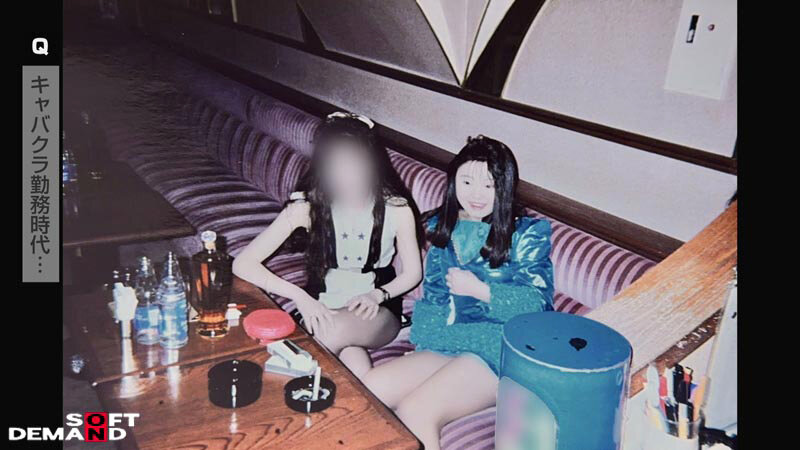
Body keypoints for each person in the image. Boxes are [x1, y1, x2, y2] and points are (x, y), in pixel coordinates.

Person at [363, 135, 554, 450]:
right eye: (467, 182)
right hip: (450, 340)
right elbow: (435, 296)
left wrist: (482, 291)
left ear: (504, 188)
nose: (476, 194)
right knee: (369, 389)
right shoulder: (444, 227)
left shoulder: (527, 234)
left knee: (415, 411)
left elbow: (538, 307)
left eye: (489, 185)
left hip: (501, 349)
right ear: (453, 182)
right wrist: (425, 345)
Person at [232, 112, 423, 378]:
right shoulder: (307, 206)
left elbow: (413, 274)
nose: (345, 177)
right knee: (355, 366)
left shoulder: (396, 209)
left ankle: (266, 385)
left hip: (375, 312)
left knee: (322, 336)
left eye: (354, 164)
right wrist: (300, 297)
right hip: (322, 305)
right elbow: (243, 264)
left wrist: (378, 295)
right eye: (335, 166)